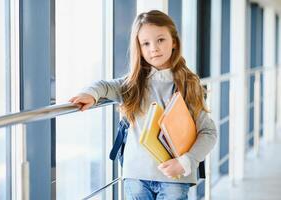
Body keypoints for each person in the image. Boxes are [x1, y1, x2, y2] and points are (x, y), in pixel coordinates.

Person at [69, 10, 217, 200]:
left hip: (174, 177)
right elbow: (103, 86)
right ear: (138, 48)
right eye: (145, 43)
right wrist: (90, 94)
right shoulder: (132, 84)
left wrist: (186, 162)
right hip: (136, 176)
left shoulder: (189, 84)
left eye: (160, 40)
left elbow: (209, 132)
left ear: (174, 42)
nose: (154, 48)